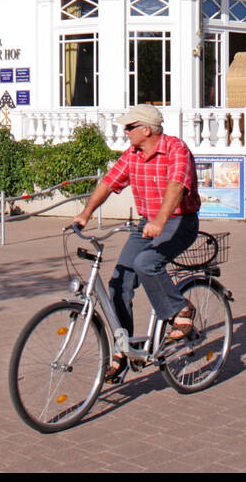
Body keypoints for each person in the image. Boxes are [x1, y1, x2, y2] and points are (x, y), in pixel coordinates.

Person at [72, 103, 200, 384]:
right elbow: (108, 183)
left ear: (146, 129)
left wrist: (160, 220)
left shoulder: (176, 149)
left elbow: (176, 186)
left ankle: (180, 308)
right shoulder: (132, 155)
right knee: (119, 282)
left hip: (179, 221)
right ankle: (124, 348)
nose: (125, 131)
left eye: (129, 127)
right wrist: (85, 213)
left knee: (146, 263)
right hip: (147, 223)